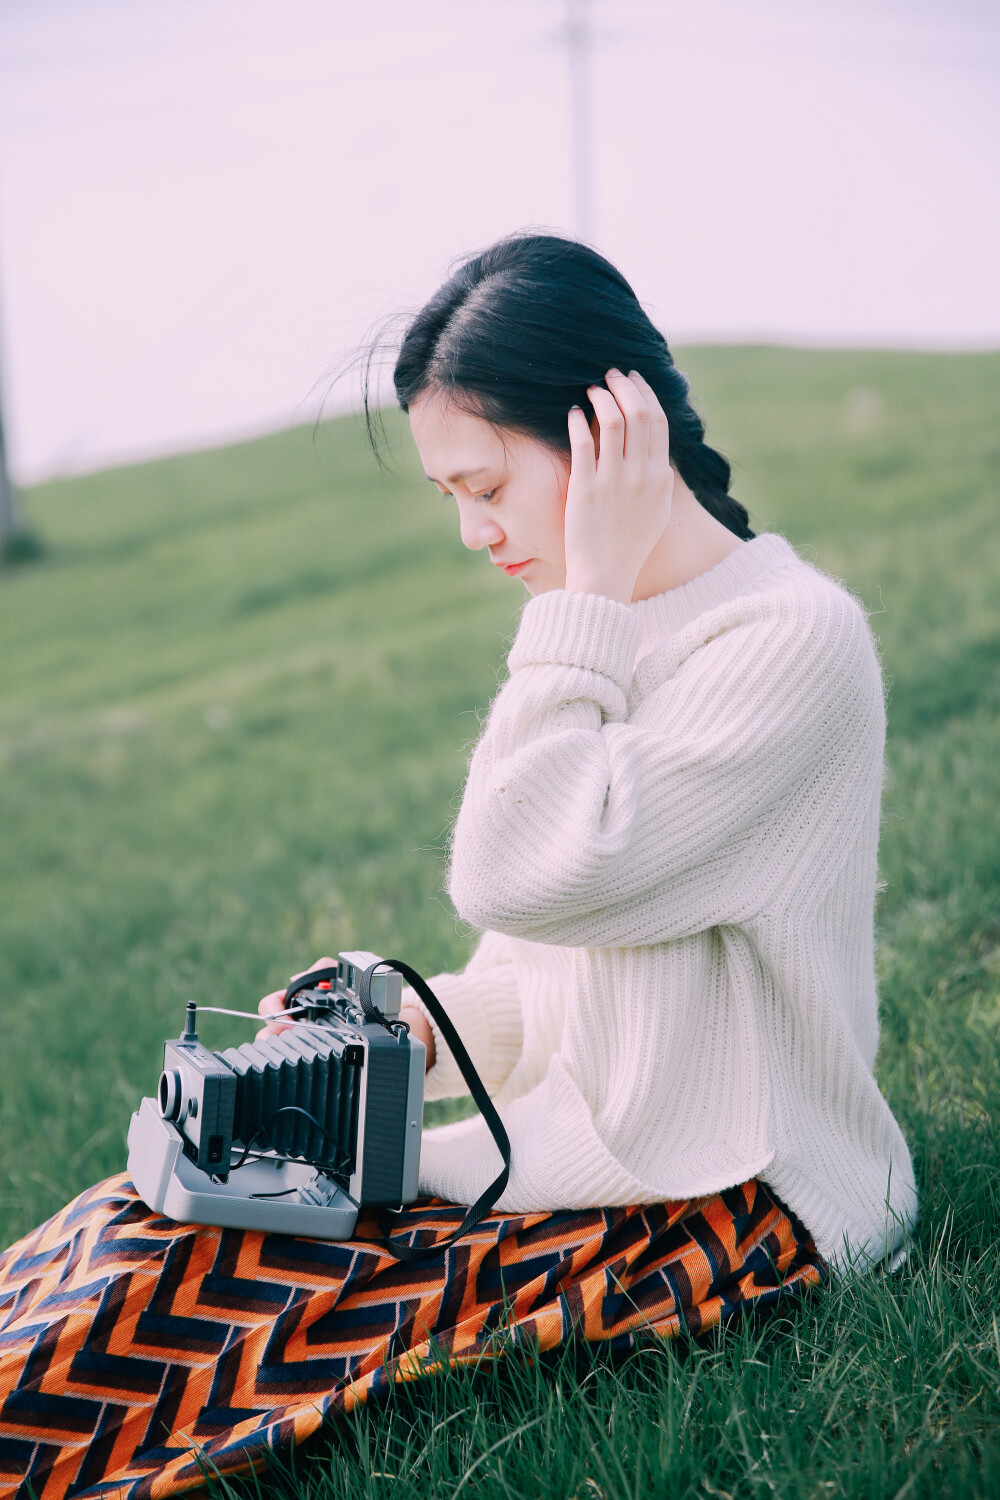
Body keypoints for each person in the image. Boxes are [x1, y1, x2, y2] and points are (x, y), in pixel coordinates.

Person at [0, 233, 915, 1500]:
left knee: (207, 1309)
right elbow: (544, 965)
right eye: (451, 500)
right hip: (579, 1158)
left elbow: (519, 875)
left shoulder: (784, 645)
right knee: (141, 1221)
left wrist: (583, 591)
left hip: (731, 1199)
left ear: (607, 436)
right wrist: (410, 1028)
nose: (476, 533)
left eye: (486, 486)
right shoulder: (607, 636)